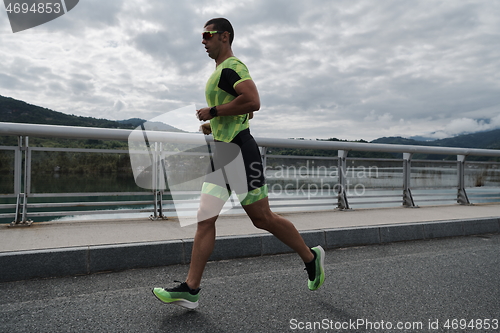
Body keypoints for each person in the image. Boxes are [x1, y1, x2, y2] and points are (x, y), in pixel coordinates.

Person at [152, 18, 325, 309]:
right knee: (205, 219)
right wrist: (215, 122)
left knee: (262, 219)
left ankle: (311, 257)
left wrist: (213, 110)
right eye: (202, 37)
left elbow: (253, 101)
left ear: (225, 36)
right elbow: (245, 109)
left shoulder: (233, 67)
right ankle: (191, 289)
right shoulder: (221, 72)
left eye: (208, 36)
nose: (203, 41)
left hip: (240, 152)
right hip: (224, 152)